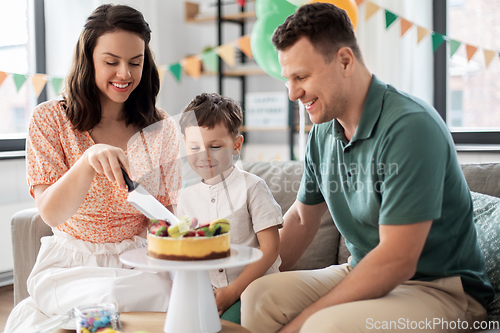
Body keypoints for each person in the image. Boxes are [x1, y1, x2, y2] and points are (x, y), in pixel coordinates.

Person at [240, 3, 495, 333]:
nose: (292, 93)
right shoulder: (323, 131)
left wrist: (301, 323)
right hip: (360, 270)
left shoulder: (409, 127)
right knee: (258, 297)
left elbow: (396, 260)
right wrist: (237, 279)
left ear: (345, 61)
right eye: (288, 79)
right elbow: (303, 219)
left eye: (301, 77)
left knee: (322, 327)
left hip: (440, 290)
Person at [5, 4, 181, 332]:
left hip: (138, 262)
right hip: (70, 264)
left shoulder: (161, 127)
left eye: (135, 62)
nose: (125, 74)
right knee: (110, 297)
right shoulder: (50, 119)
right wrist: (87, 162)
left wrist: (184, 237)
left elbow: (165, 214)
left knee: (171, 300)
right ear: (88, 60)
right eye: (111, 62)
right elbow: (51, 214)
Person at [177, 92, 283, 324]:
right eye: (195, 148)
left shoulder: (253, 187)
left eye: (214, 146)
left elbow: (271, 248)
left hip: (255, 289)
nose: (204, 156)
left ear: (236, 145)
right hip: (211, 293)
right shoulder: (186, 197)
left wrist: (232, 292)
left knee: (227, 327)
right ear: (185, 145)